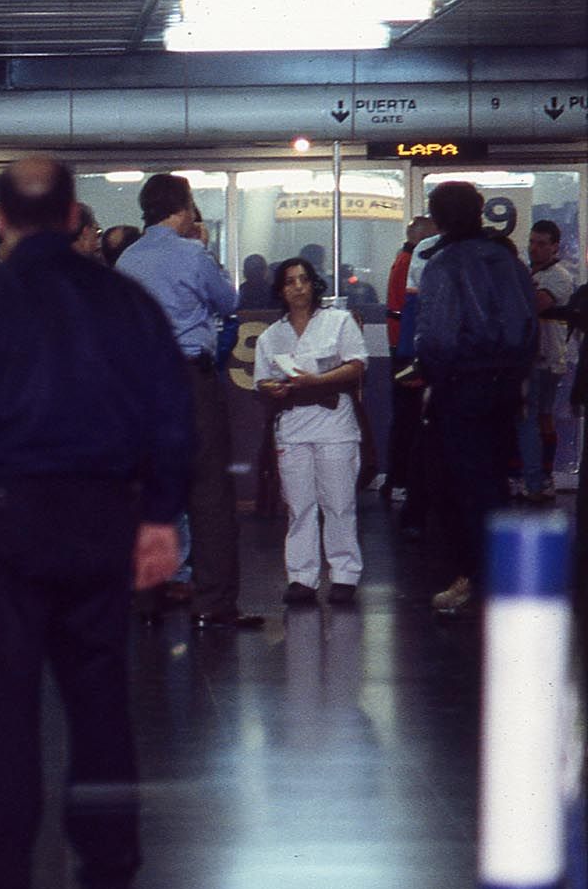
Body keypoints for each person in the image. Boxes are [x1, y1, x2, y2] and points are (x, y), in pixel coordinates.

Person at [0, 157, 188, 889]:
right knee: (99, 701)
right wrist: (160, 515)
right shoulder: (126, 303)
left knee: (1, 706)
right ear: (72, 218)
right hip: (101, 519)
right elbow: (170, 415)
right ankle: (110, 875)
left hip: (2, 522)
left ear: (0, 220)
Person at [116, 173, 259, 629]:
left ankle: (145, 597)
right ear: (184, 207)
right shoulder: (193, 254)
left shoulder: (127, 260)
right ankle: (213, 602)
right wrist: (205, 245)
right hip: (188, 379)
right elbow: (227, 300)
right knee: (209, 492)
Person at [413, 181, 537, 616]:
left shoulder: (442, 266)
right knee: (498, 484)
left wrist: (431, 377)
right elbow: (528, 329)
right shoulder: (508, 261)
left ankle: (468, 577)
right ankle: (505, 579)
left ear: (439, 217)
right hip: (504, 388)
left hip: (460, 388)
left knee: (456, 486)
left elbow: (439, 340)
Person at [254, 259, 368, 606]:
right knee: (299, 505)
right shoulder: (271, 336)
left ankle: (344, 573)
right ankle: (302, 577)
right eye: (289, 281)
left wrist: (317, 381)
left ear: (314, 285)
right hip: (292, 426)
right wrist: (272, 388)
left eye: (304, 279)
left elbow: (357, 365)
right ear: (281, 290)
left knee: (338, 502)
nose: (298, 286)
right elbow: (261, 380)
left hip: (334, 423)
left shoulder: (338, 322)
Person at [517, 219, 575, 502]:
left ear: (554, 247)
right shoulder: (529, 272)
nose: (534, 249)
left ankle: (542, 477)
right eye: (532, 242)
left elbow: (536, 304)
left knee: (539, 417)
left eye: (541, 244)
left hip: (547, 356)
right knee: (538, 416)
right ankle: (538, 476)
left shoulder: (558, 276)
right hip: (531, 355)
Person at [383, 217, 435, 511]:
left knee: (405, 417)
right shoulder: (408, 265)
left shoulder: (401, 261)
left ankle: (398, 479)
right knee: (408, 418)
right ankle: (400, 480)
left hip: (402, 351)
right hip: (407, 354)